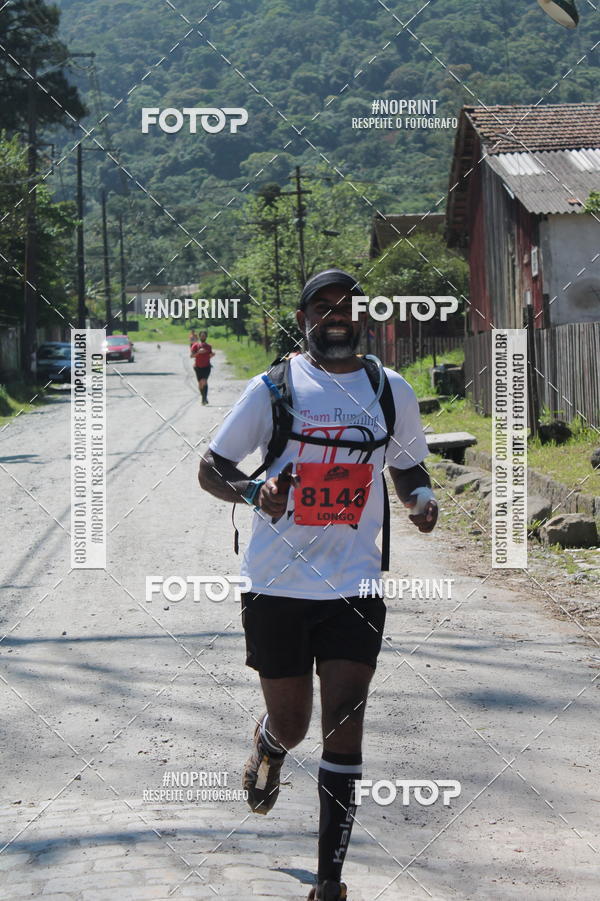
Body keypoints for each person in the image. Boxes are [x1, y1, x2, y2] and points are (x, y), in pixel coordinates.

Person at [198, 269, 438, 901]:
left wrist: (421, 500)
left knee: (345, 724)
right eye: (322, 306)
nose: (336, 315)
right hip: (276, 587)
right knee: (296, 723)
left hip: (354, 587)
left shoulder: (390, 391)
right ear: (303, 317)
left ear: (363, 318)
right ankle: (269, 745)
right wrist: (256, 490)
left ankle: (329, 883)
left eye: (347, 306)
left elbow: (410, 467)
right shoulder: (273, 389)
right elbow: (211, 469)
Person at [190, 330, 215, 404]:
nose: (203, 337)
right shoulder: (195, 345)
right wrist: (198, 352)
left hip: (207, 366)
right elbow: (191, 356)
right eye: (202, 335)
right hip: (198, 367)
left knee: (204, 381)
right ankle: (203, 397)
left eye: (204, 335)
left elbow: (209, 356)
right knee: (200, 383)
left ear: (206, 337)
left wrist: (212, 355)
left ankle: (204, 399)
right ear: (199, 337)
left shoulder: (209, 346)